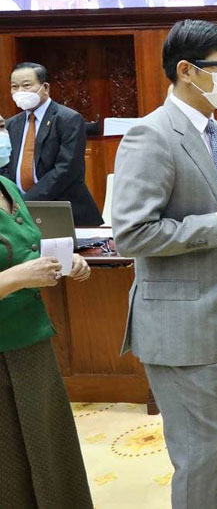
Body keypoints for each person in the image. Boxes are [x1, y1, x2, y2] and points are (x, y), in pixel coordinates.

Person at [112, 19, 217, 509]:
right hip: (178, 325)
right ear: (186, 70)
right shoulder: (150, 135)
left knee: (212, 445)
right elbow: (132, 233)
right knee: (200, 451)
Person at [0, 112, 95, 508]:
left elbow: (28, 247)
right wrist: (19, 277)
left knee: (52, 451)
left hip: (33, 340)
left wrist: (66, 261)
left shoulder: (7, 185)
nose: (3, 136)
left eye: (1, 127)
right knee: (11, 465)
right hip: (3, 346)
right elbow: (18, 269)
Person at [1, 62, 103, 226]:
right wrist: (13, 200)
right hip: (20, 214)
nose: (20, 92)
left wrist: (26, 203)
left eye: (26, 86)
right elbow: (5, 166)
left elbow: (66, 169)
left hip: (63, 211)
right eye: (14, 86)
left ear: (45, 88)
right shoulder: (11, 124)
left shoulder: (68, 119)